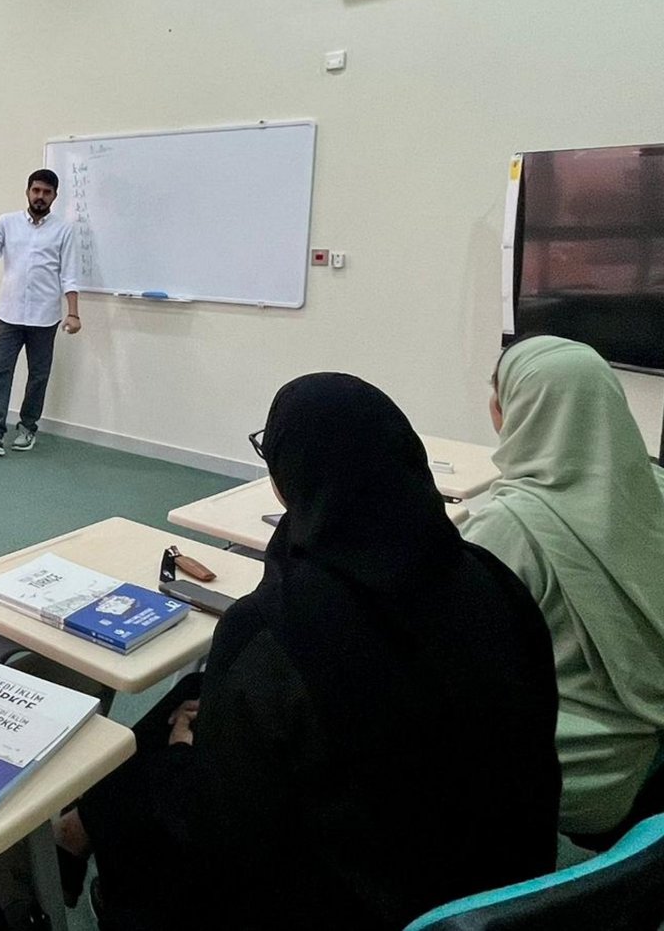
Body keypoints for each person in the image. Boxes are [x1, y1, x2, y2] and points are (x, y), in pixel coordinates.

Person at [56, 373, 559, 930]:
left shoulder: (275, 633)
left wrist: (179, 755)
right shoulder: (495, 584)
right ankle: (81, 822)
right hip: (503, 888)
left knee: (155, 781)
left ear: (285, 479)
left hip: (356, 901)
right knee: (193, 696)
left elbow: (222, 834)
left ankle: (82, 833)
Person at [463, 336, 664, 838]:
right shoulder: (657, 489)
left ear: (508, 411)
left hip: (574, 781)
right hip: (651, 757)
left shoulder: (508, 528)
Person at [0, 168, 80, 457]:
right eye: (36, 190)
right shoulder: (7, 222)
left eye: (46, 192)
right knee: (1, 372)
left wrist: (74, 313)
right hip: (9, 314)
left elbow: (70, 276)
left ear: (55, 196)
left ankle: (27, 428)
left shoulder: (63, 230)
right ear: (28, 191)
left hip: (45, 316)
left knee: (38, 375)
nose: (40, 197)